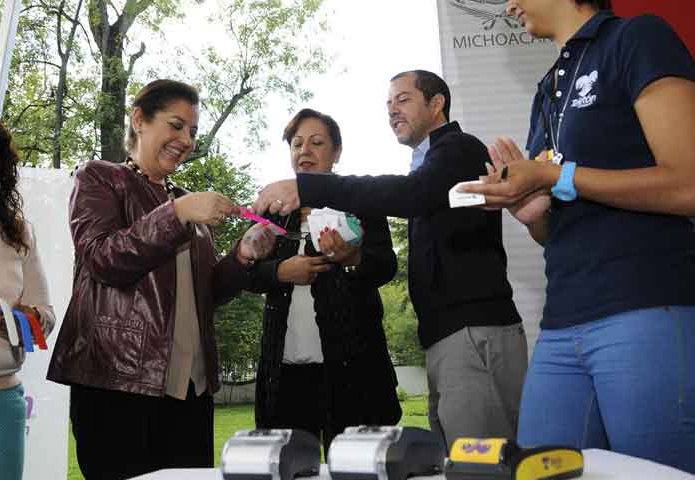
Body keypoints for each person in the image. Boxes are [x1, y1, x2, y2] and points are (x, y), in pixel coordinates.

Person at [459, 0, 695, 473]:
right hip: (562, 321)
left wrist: (557, 176)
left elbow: (687, 185)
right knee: (536, 467)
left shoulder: (637, 38)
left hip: (645, 304)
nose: (510, 4)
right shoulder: (547, 89)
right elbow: (555, 228)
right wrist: (532, 215)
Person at [253, 71, 528, 450]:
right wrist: (277, 270)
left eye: (403, 99)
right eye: (388, 103)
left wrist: (348, 250)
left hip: (469, 332)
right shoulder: (427, 164)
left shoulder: (459, 149)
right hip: (446, 337)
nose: (392, 110)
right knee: (459, 458)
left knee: (481, 460)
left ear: (437, 103)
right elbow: (246, 272)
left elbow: (408, 203)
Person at [46, 79, 274, 479]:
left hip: (191, 391)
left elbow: (206, 295)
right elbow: (102, 258)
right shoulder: (99, 178)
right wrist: (178, 213)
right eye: (176, 125)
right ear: (139, 120)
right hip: (119, 384)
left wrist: (242, 256)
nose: (186, 140)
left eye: (193, 131)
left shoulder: (184, 201)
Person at [247, 108, 401, 454]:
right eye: (296, 144)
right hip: (284, 376)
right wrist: (280, 272)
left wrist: (352, 258)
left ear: (337, 152)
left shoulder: (361, 201)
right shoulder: (271, 209)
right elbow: (248, 271)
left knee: (358, 468)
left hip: (354, 371)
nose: (304, 151)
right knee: (286, 468)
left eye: (316, 143)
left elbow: (386, 266)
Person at [0, 102, 55, 480]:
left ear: (2, 165)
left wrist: (16, 320)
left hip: (3, 406)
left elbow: (45, 315)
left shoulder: (18, 232)